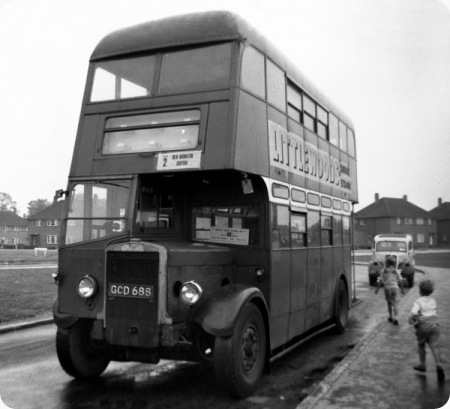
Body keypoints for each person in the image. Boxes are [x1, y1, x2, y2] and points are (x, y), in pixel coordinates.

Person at [408, 279, 445, 381]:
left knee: (421, 344)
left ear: (420, 291)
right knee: (435, 346)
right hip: (434, 325)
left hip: (423, 326)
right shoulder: (433, 301)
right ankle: (438, 364)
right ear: (431, 291)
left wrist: (410, 320)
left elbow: (415, 312)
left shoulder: (418, 301)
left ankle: (422, 364)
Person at [375, 256, 404, 325]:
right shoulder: (396, 271)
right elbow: (400, 281)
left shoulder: (383, 271)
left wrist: (377, 289)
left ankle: (390, 317)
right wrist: (402, 289)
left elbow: (380, 281)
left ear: (386, 263)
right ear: (394, 263)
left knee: (389, 303)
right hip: (395, 288)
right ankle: (396, 318)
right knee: (395, 303)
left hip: (387, 288)